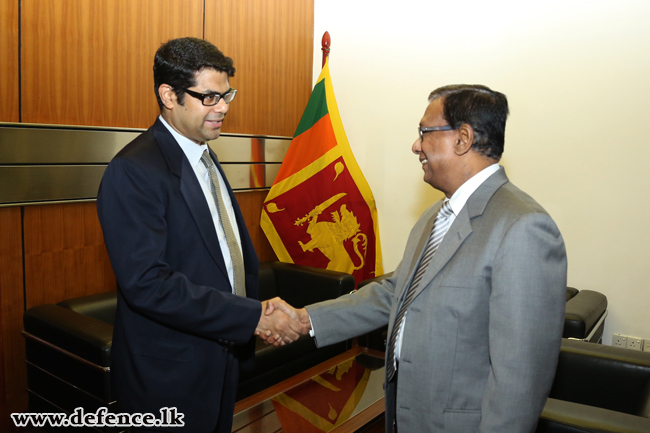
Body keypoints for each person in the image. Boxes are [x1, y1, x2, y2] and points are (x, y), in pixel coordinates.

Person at [266, 85, 567, 432]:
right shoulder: (435, 216)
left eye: (424, 132)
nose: (415, 146)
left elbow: (521, 378)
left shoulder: (523, 226)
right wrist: (306, 320)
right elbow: (395, 295)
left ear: (462, 139)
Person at [97, 37, 304, 433]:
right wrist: (253, 317)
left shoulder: (204, 156)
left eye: (227, 95)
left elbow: (220, 256)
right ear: (169, 95)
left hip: (220, 356)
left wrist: (253, 310)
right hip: (168, 376)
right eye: (209, 97)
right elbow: (148, 285)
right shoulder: (133, 171)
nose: (223, 108)